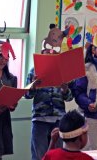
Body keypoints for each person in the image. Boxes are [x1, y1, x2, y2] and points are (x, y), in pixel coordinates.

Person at [25, 23, 73, 160]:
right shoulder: (33, 71)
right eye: (48, 51)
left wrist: (65, 89)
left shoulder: (63, 71)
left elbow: (69, 98)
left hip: (59, 120)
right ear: (42, 52)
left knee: (58, 155)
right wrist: (33, 86)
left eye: (55, 52)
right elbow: (27, 95)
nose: (51, 54)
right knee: (39, 155)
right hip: (39, 119)